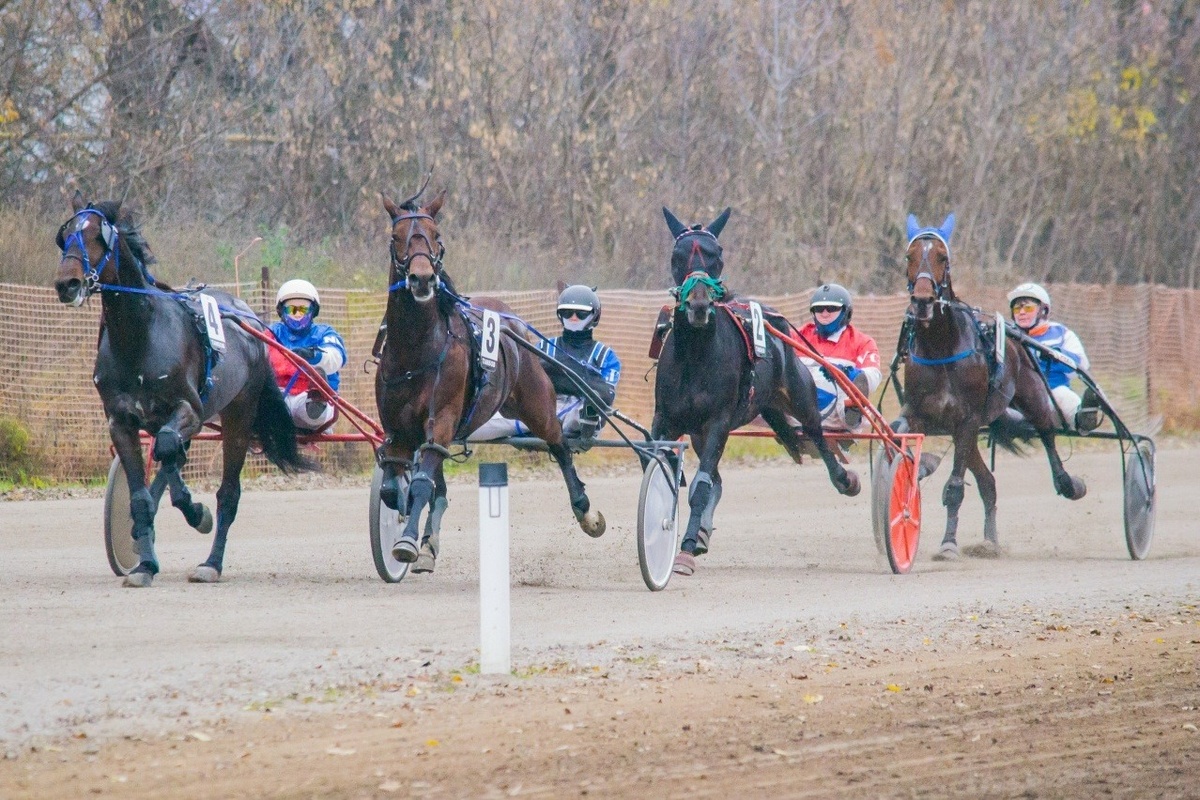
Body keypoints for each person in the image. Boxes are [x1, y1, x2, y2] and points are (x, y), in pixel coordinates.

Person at [469, 285, 622, 441]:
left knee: (587, 408)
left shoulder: (606, 356)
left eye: (581, 314)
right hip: (542, 409)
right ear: (559, 314)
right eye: (567, 313)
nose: (573, 318)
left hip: (580, 412)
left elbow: (606, 394)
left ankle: (572, 428)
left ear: (594, 315)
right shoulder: (544, 347)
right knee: (473, 427)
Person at [1008, 282, 1101, 432]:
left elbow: (1080, 365)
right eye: (1017, 308)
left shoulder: (1061, 334)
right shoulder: (1007, 336)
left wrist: (1054, 355)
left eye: (1028, 307)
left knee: (1064, 397)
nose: (1022, 312)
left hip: (1053, 394)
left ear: (1043, 311)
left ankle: (1084, 419)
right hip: (1018, 398)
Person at [796, 283, 882, 431]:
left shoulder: (862, 341)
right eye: (819, 309)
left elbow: (873, 376)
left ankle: (853, 412)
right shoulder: (797, 336)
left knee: (851, 393)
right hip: (799, 406)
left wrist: (847, 373)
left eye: (831, 308)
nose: (824, 313)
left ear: (846, 312)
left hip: (838, 412)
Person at [268, 279, 347, 431]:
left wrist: (313, 355)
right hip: (278, 395)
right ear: (281, 311)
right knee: (265, 399)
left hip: (307, 396)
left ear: (313, 311)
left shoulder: (324, 333)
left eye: (303, 309)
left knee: (308, 406)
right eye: (292, 310)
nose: (297, 315)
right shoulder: (271, 333)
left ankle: (316, 406)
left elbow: (335, 358)